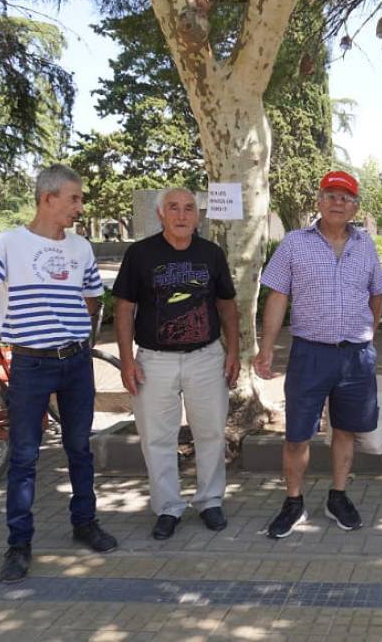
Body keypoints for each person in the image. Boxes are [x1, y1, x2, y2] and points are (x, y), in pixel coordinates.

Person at [0, 164, 118, 584]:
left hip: (76, 363)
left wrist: (77, 332)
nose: (80, 206)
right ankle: (18, 544)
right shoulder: (10, 244)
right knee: (24, 456)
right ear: (47, 198)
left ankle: (85, 522)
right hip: (32, 364)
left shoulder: (80, 247)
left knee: (80, 447)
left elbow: (92, 297)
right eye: (74, 198)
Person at [253, 171, 382, 538]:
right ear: (319, 201)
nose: (337, 203)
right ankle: (293, 502)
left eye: (345, 197)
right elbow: (277, 296)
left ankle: (338, 497)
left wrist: (369, 336)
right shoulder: (294, 243)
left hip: (355, 356)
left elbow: (377, 294)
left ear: (355, 207)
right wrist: (266, 348)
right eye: (330, 195)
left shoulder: (365, 245)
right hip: (310, 355)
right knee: (298, 434)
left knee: (345, 430)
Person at [112, 188, 239, 540]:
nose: (182, 215)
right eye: (174, 208)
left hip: (206, 358)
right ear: (160, 214)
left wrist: (233, 350)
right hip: (154, 361)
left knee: (211, 432)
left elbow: (227, 306)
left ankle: (210, 501)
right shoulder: (140, 254)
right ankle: (168, 507)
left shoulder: (211, 254)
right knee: (157, 438)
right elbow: (124, 308)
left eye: (188, 208)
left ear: (197, 215)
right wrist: (126, 360)